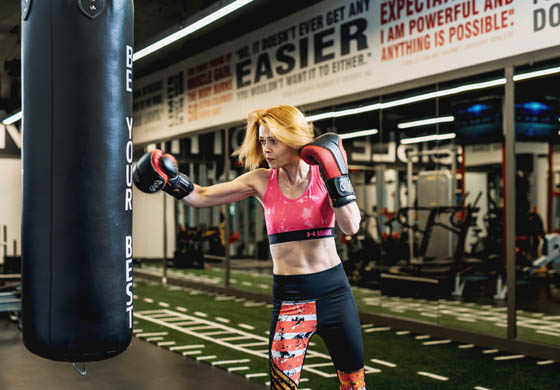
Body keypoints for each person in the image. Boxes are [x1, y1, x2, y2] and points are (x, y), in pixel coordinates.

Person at [133, 105, 366, 390]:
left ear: (293, 138)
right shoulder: (261, 181)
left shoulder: (323, 174)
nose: (266, 149)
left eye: (273, 140)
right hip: (291, 299)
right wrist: (171, 182)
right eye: (263, 141)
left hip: (335, 294)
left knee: (354, 385)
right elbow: (202, 196)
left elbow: (351, 227)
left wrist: (337, 177)